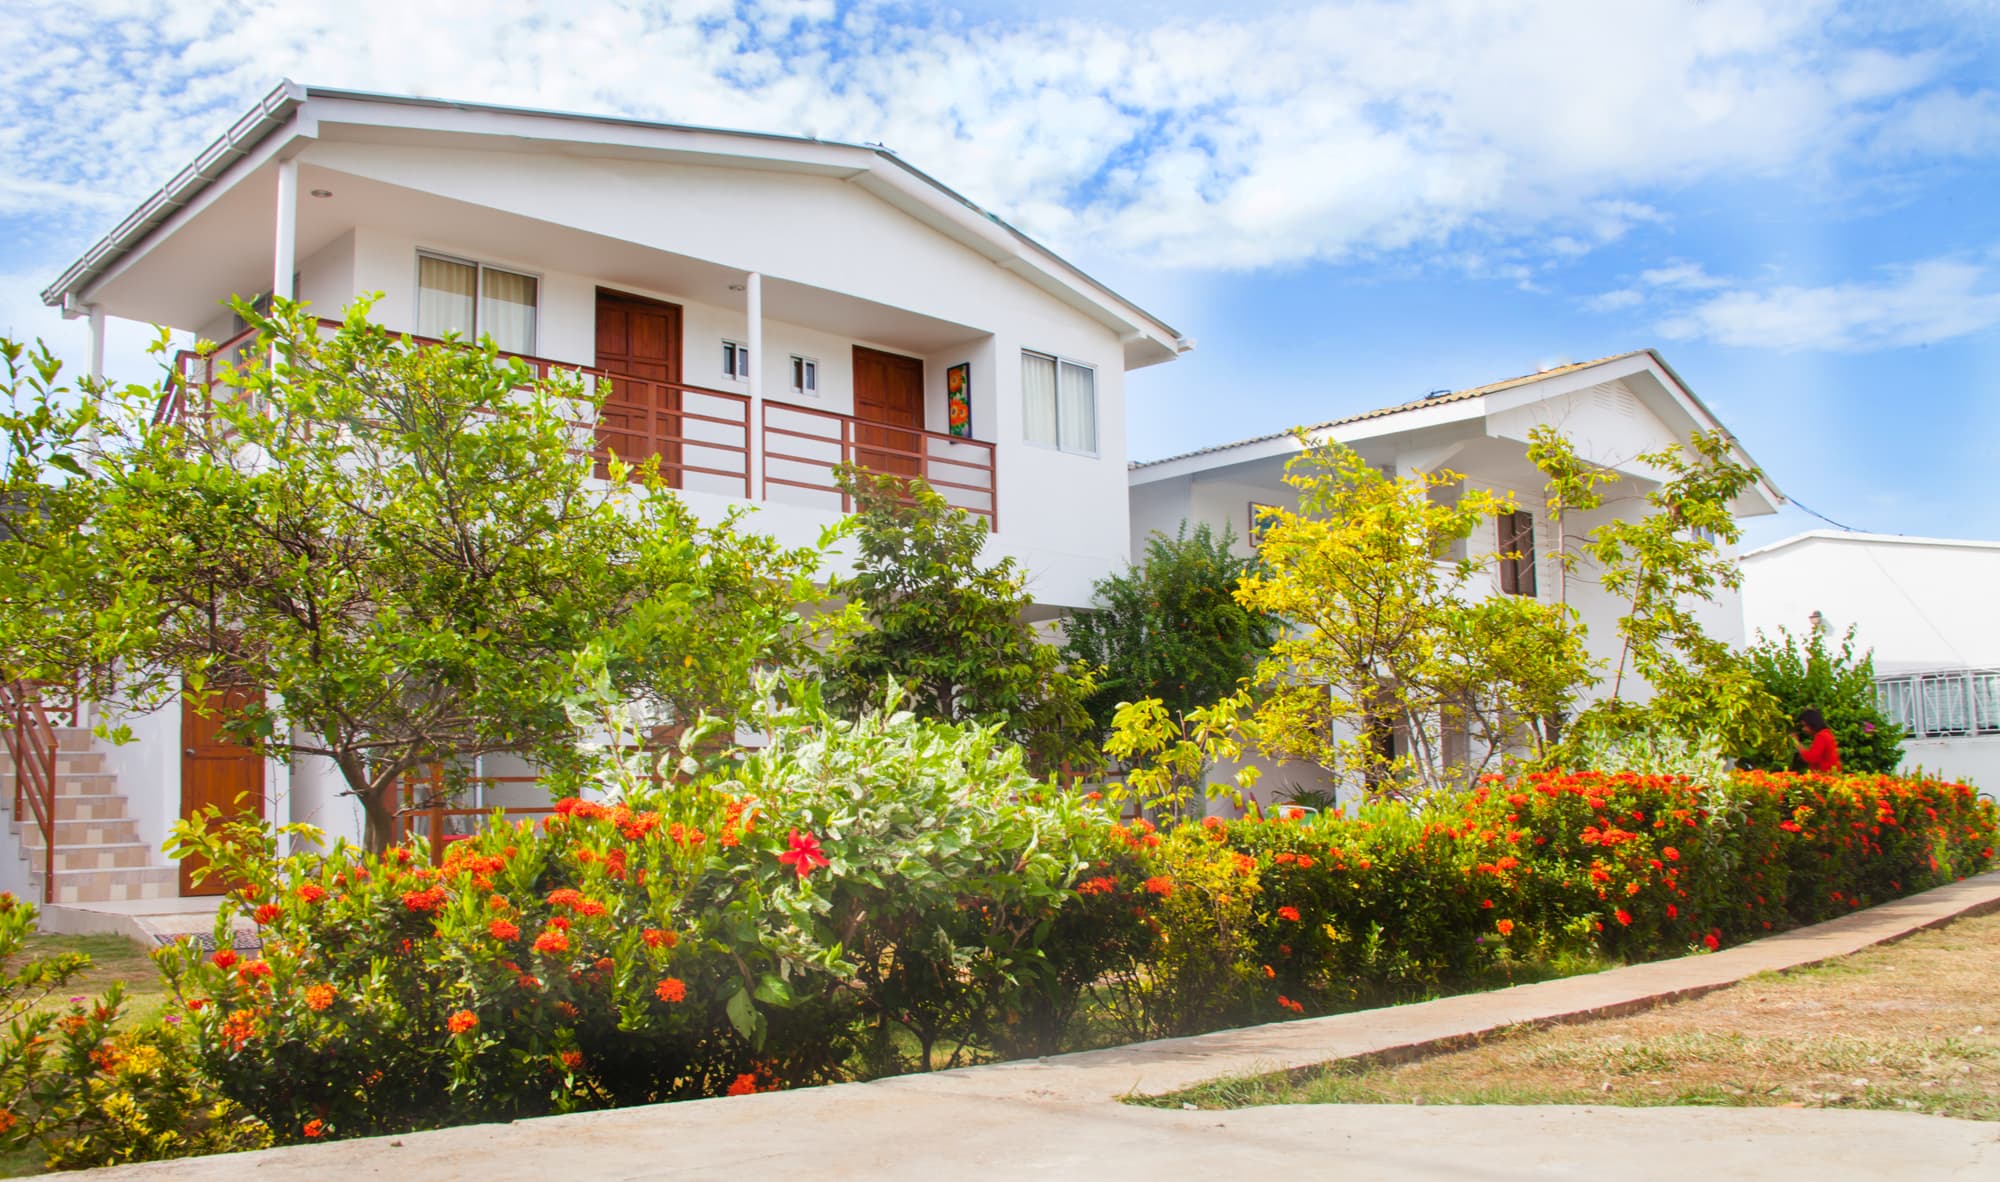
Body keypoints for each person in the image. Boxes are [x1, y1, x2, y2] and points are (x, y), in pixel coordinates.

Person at [1795, 708, 1841, 773]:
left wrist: (1797, 743)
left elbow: (1811, 758)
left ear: (1812, 724)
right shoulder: (1826, 733)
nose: (1804, 729)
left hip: (1826, 775)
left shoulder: (1821, 736)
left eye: (1805, 726)